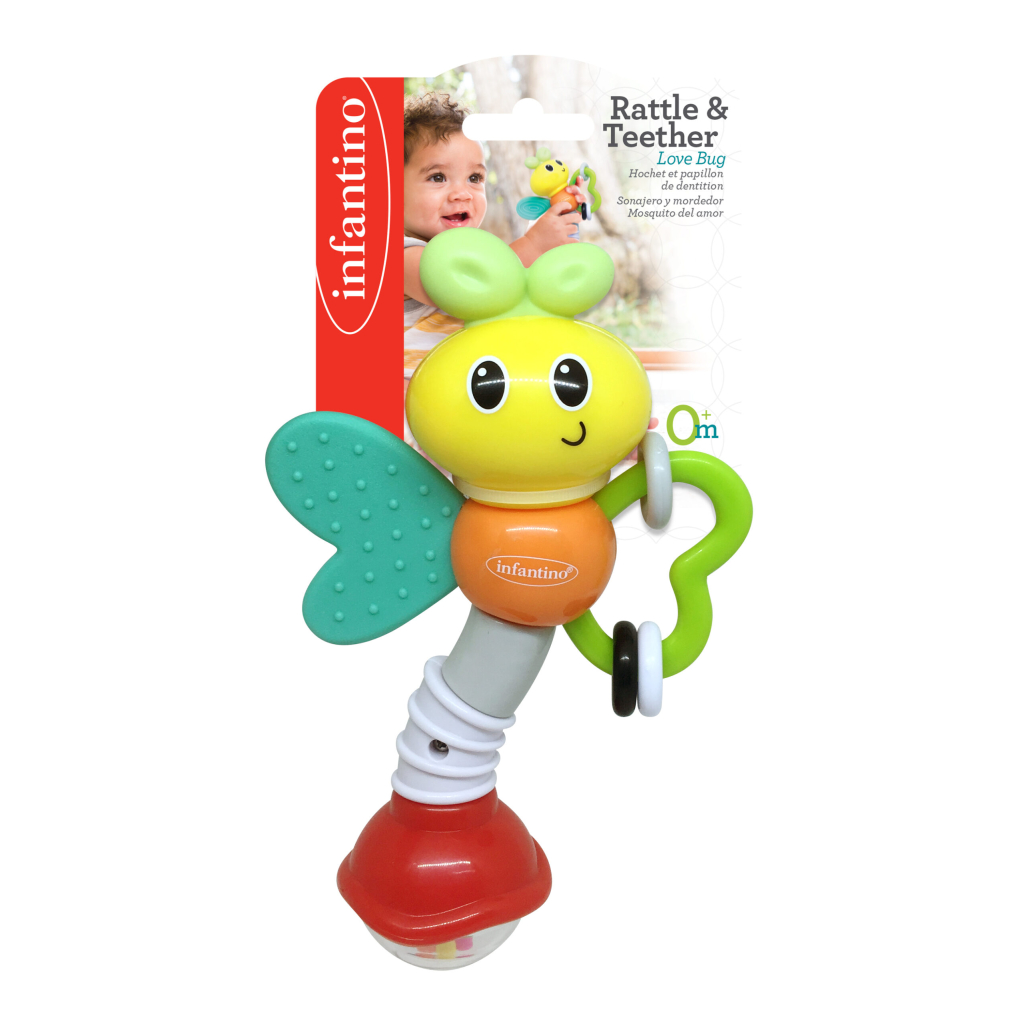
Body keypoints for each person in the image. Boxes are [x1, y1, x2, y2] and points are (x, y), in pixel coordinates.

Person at [403, 92, 580, 354]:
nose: (462, 194)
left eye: (474, 178)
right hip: (411, 377)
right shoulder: (401, 254)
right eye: (438, 177)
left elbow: (515, 285)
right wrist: (533, 244)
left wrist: (556, 225)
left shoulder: (473, 251)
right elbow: (473, 287)